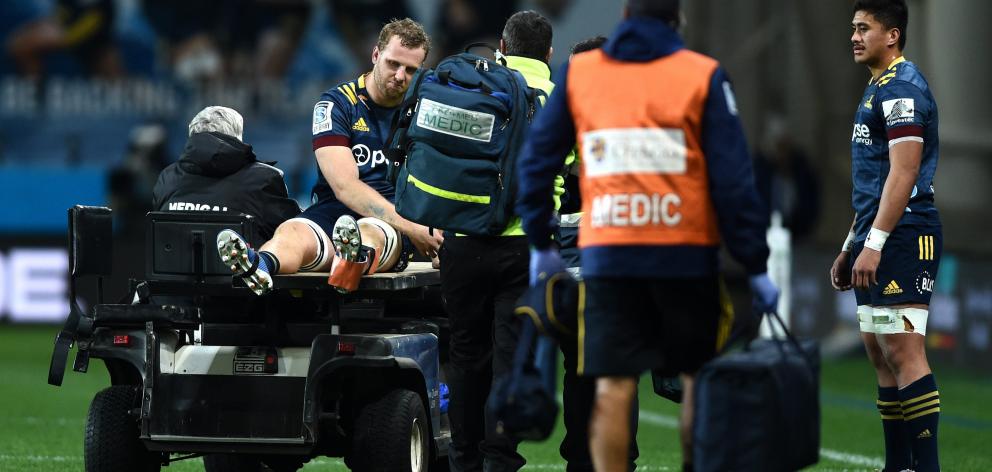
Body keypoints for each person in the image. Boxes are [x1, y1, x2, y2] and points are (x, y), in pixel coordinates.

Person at [514, 1, 779, 470]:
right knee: (695, 380)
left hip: (610, 262)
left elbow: (536, 163)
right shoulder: (703, 75)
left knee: (614, 385)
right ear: (678, 21)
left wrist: (540, 242)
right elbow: (736, 183)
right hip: (686, 259)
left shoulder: (583, 74)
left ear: (624, 20)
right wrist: (755, 265)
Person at [216, 18, 442, 295]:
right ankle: (259, 265)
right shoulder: (337, 104)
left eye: (410, 70)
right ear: (375, 55)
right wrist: (414, 228)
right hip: (335, 210)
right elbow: (344, 186)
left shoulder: (425, 111)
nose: (399, 76)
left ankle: (350, 263)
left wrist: (430, 233)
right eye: (393, 64)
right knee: (291, 233)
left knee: (369, 231)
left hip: (389, 221)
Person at [440, 10, 567, 472]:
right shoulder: (559, 99)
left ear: (502, 46)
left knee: (465, 356)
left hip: (462, 239)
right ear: (549, 53)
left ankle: (461, 459)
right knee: (509, 361)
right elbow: (569, 164)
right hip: (523, 246)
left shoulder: (473, 85)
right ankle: (500, 460)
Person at [830, 1, 942, 470]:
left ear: (892, 35)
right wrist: (849, 244)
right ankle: (896, 465)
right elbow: (874, 181)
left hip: (905, 232)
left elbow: (904, 173)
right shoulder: (877, 88)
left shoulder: (903, 91)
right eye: (853, 28)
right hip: (874, 233)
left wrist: (873, 244)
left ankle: (926, 466)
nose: (854, 37)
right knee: (879, 351)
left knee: (904, 350)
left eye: (863, 28)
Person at [152, 106, 301, 245]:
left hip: (171, 272)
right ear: (237, 136)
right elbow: (292, 235)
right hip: (240, 273)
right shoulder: (264, 178)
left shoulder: (168, 176)